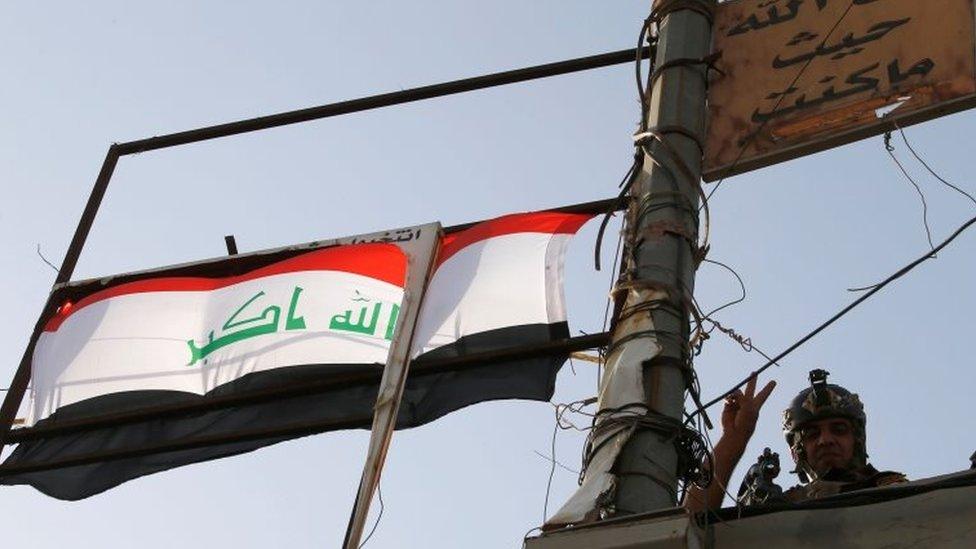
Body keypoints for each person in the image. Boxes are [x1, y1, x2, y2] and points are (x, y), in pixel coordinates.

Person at [684, 369, 906, 513]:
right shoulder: (781, 506)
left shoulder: (893, 491)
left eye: (838, 430)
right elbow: (686, 528)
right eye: (812, 435)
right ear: (795, 452)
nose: (825, 440)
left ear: (857, 440)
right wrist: (734, 439)